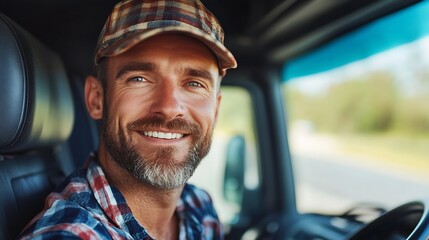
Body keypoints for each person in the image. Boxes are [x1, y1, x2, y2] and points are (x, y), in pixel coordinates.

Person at [18, 0, 237, 239]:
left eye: (194, 83)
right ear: (96, 99)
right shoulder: (71, 233)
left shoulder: (198, 205)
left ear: (215, 110)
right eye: (139, 79)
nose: (169, 107)